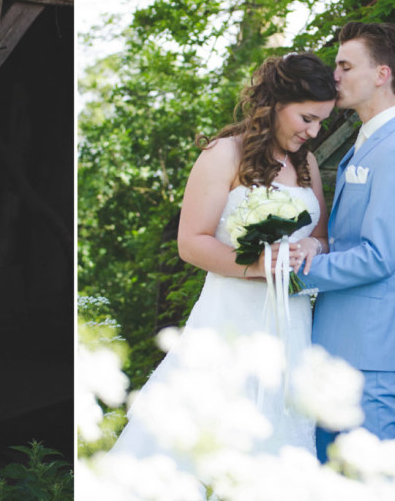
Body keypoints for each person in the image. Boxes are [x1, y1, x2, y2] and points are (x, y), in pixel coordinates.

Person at [109, 53, 337, 477]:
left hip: (291, 322)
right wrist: (258, 264)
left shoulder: (305, 164)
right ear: (276, 104)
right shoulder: (223, 154)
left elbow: (321, 237)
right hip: (230, 317)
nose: (313, 132)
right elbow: (190, 243)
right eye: (307, 118)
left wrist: (310, 246)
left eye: (321, 122)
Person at [297, 22, 395, 462]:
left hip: (369, 347)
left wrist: (293, 272)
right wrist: (317, 247)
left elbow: (378, 257)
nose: (334, 75)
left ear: (381, 74)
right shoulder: (368, 144)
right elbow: (345, 239)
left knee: (374, 479)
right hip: (339, 342)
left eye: (345, 66)